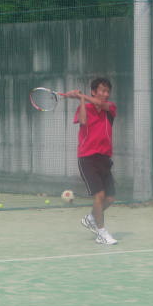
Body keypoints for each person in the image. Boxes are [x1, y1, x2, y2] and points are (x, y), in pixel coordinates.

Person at [65, 78, 118, 245]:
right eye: (102, 90)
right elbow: (83, 121)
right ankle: (101, 233)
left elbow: (101, 104)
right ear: (94, 92)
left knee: (110, 198)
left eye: (107, 91)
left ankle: (91, 218)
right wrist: (81, 99)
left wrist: (81, 95)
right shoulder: (85, 108)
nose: (105, 94)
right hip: (87, 158)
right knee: (100, 196)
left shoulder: (110, 108)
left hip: (105, 158)